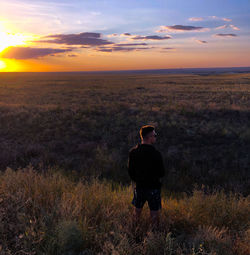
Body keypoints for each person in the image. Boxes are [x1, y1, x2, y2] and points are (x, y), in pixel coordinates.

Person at [128, 125, 165, 230]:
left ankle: (133, 233)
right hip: (153, 188)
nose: (155, 137)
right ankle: (154, 238)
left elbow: (130, 171)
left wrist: (138, 180)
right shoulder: (156, 154)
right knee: (154, 217)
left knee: (136, 214)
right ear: (149, 137)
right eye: (155, 135)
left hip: (139, 187)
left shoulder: (133, 152)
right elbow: (162, 172)